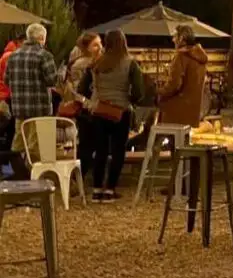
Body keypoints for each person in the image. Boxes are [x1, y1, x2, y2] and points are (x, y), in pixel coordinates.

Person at [77, 29, 144, 202]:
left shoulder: (96, 64)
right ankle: (110, 189)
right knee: (118, 151)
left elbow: (82, 88)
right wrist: (128, 99)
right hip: (121, 112)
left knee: (100, 150)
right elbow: (139, 91)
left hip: (99, 111)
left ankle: (97, 188)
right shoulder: (130, 63)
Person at [4, 24, 58, 179]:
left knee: (18, 145)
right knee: (35, 147)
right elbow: (51, 80)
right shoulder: (44, 55)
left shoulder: (13, 55)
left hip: (20, 108)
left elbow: (6, 80)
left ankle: (19, 174)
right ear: (41, 38)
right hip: (39, 108)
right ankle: (32, 179)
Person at [63, 32, 103, 176]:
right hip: (87, 109)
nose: (100, 47)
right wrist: (88, 104)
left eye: (100, 43)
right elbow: (78, 90)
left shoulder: (96, 61)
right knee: (87, 145)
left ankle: (81, 176)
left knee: (89, 144)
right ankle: (78, 177)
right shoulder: (81, 65)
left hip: (92, 107)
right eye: (95, 45)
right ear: (86, 47)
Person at [157, 25, 208, 128]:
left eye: (175, 36)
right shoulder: (200, 58)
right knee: (183, 142)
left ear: (181, 39)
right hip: (192, 112)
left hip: (176, 112)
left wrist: (159, 92)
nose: (173, 40)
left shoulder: (181, 56)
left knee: (167, 141)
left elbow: (174, 85)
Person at [0, 34, 26, 164]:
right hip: (7, 96)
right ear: (20, 42)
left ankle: (7, 163)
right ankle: (7, 162)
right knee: (10, 131)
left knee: (10, 130)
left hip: (6, 95)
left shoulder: (8, 54)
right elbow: (9, 79)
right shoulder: (11, 56)